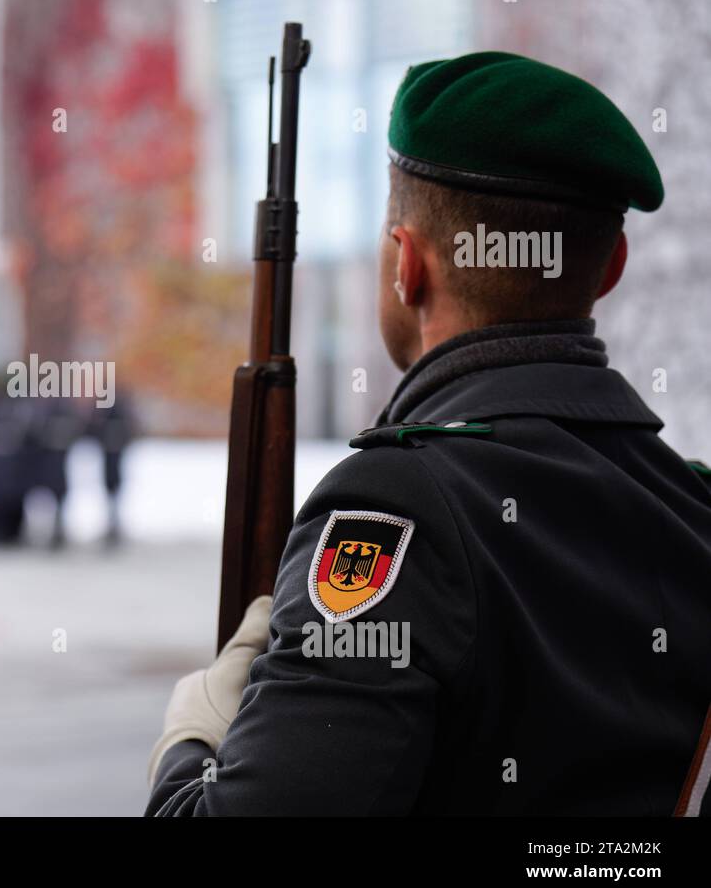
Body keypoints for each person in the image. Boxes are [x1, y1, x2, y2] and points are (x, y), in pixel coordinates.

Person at [147, 52, 711, 816]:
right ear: (612, 265)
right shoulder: (691, 506)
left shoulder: (397, 508)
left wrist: (195, 738)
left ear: (406, 265)